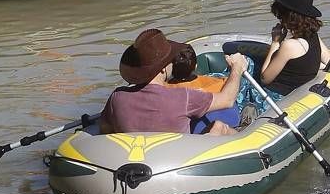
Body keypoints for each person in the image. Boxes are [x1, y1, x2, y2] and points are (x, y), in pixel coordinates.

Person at [98, 28, 247, 137]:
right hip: (180, 163)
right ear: (163, 69)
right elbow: (227, 100)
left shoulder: (117, 97)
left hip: (136, 161)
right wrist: (236, 68)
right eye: (169, 60)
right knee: (220, 127)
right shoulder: (183, 97)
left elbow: (105, 128)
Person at [258, 0, 330, 95]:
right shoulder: (314, 36)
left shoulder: (289, 46)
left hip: (277, 95)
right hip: (299, 88)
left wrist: (275, 43)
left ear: (287, 16)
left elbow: (265, 79)